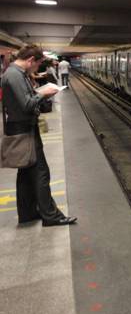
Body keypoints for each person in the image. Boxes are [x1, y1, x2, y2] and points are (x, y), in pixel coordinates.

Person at [1, 45, 77, 226]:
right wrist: (43, 93)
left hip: (22, 127)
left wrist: (38, 93)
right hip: (23, 130)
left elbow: (24, 99)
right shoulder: (15, 75)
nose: (36, 69)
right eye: (37, 65)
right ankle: (51, 216)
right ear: (30, 60)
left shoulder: (15, 73)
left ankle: (27, 213)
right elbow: (27, 104)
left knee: (26, 174)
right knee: (41, 174)